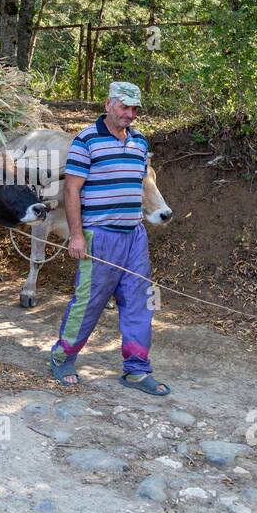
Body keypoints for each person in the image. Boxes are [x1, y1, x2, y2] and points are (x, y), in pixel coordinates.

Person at [48, 81, 168, 396]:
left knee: (139, 303)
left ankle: (137, 370)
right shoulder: (86, 141)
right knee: (89, 301)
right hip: (99, 236)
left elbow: (141, 186)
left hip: (134, 238)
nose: (130, 114)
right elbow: (72, 189)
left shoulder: (140, 142)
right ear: (108, 105)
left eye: (134, 109)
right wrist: (76, 235)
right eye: (124, 107)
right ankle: (63, 357)